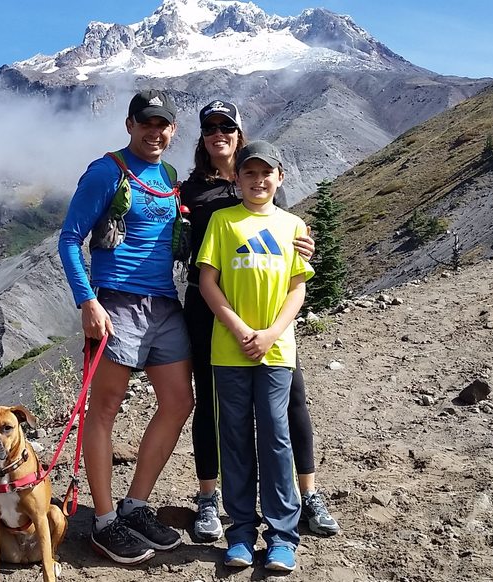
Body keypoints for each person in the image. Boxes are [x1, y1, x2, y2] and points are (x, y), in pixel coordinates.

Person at [182, 100, 340, 542]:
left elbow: (291, 239)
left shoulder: (263, 176)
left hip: (270, 314)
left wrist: (310, 252)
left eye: (226, 126)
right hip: (208, 306)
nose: (219, 132)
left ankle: (307, 494)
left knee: (292, 401)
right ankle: (209, 499)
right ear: (202, 135)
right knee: (213, 404)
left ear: (239, 131)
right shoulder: (190, 190)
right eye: (210, 126)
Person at [57, 90, 194, 565]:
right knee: (105, 408)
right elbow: (70, 238)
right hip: (116, 302)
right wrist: (88, 301)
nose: (155, 132)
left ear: (172, 130)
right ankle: (104, 520)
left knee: (179, 402)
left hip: (163, 304)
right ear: (130, 125)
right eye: (146, 123)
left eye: (163, 125)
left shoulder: (169, 176)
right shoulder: (106, 172)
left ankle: (135, 506)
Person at [196, 140, 312, 572]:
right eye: (249, 173)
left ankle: (283, 535)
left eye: (266, 173)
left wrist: (271, 333)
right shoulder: (224, 223)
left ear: (279, 178)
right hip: (229, 348)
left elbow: (297, 288)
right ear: (237, 179)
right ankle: (241, 533)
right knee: (236, 439)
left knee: (276, 436)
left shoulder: (294, 226)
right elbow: (209, 282)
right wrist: (243, 330)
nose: (258, 180)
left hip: (277, 350)